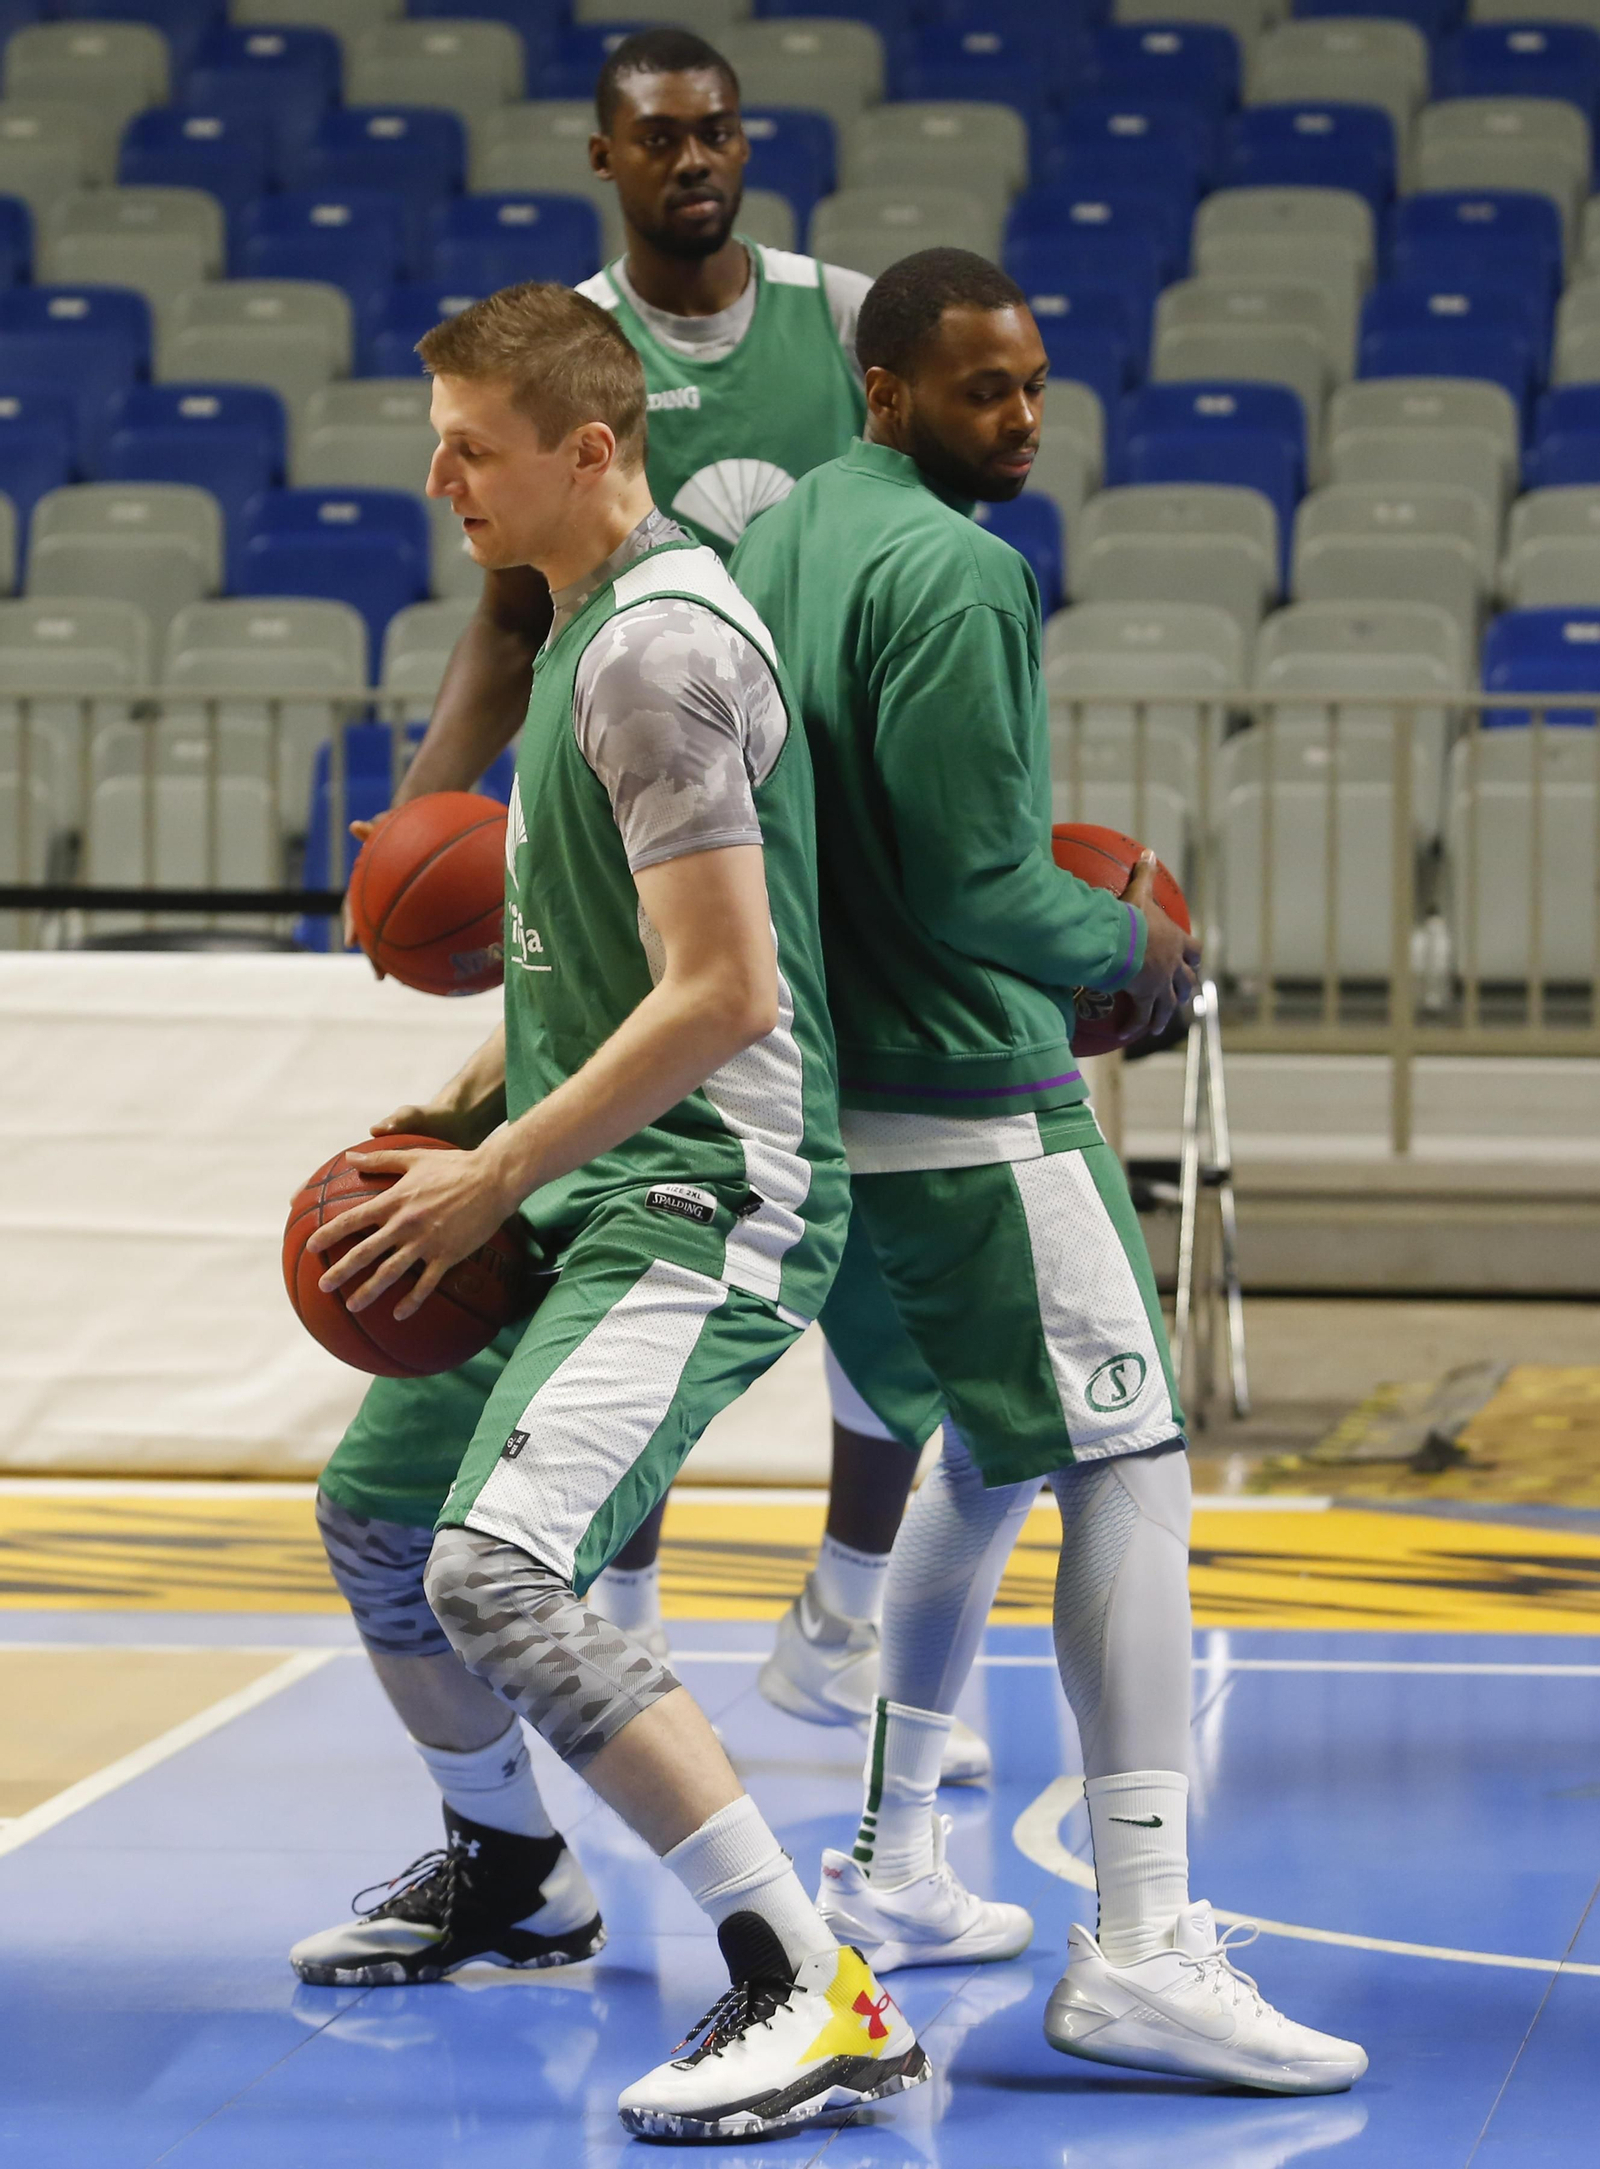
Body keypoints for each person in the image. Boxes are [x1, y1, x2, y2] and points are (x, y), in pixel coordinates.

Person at [731, 249, 1369, 2093]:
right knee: (1133, 1460)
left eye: (1031, 384)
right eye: (980, 388)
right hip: (974, 1095)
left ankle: (893, 1862)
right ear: (885, 389)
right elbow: (976, 884)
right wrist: (1134, 948)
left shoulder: (784, 537)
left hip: (844, 1087)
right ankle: (1147, 1945)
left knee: (992, 1447)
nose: (1019, 418)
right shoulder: (959, 569)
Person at [296, 283, 926, 2140]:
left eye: (470, 450)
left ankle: (813, 1988)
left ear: (591, 449)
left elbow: (724, 992)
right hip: (592, 1178)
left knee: (494, 1573)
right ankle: (513, 1870)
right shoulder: (583, 626)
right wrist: (470, 1107)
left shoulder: (655, 653)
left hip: (706, 1189)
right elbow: (603, 960)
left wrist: (497, 1171)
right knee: (378, 1519)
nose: (441, 481)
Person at [337, 23, 986, 1782]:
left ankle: (846, 1608)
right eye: (661, 136)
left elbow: (912, 563)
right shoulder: (553, 350)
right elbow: (503, 626)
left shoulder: (838, 324)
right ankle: (621, 1609)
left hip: (819, 830)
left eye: (720, 131)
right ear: (606, 157)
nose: (696, 159)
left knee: (850, 1251)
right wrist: (422, 828)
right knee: (634, 1237)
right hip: (664, 821)